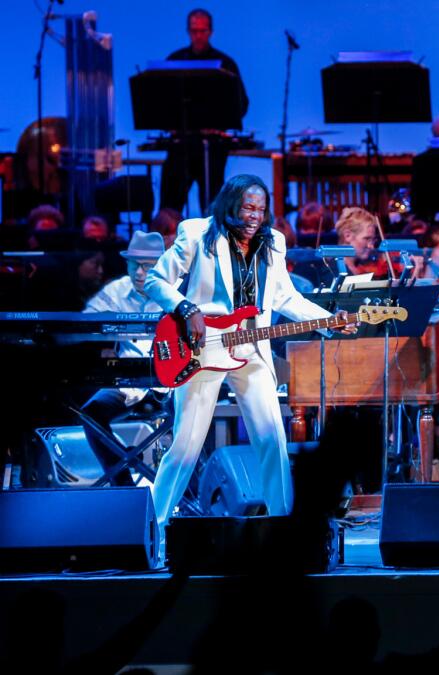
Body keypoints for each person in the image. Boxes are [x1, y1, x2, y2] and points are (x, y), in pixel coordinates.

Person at [144, 175, 354, 545]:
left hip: (251, 349)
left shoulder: (273, 242)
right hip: (201, 347)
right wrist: (186, 306)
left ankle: (287, 534)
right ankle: (153, 531)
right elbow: (156, 281)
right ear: (230, 204)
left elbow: (285, 298)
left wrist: (329, 323)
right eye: (248, 208)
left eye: (261, 208)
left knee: (272, 439)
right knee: (185, 447)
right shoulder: (197, 233)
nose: (256, 215)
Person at [79, 232, 167, 486]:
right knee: (89, 414)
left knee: (194, 413)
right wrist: (103, 344)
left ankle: (186, 490)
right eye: (133, 265)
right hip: (127, 382)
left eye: (146, 267)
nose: (138, 273)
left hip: (173, 383)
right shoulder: (116, 290)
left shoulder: (176, 290)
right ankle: (124, 482)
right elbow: (84, 323)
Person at [160, 9, 249, 213]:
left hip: (212, 148)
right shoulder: (175, 60)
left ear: (211, 31)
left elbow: (241, 103)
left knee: (212, 206)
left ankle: (212, 244)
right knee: (170, 205)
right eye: (194, 31)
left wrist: (220, 122)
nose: (198, 36)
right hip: (180, 146)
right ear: (188, 31)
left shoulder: (225, 63)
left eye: (203, 30)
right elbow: (162, 102)